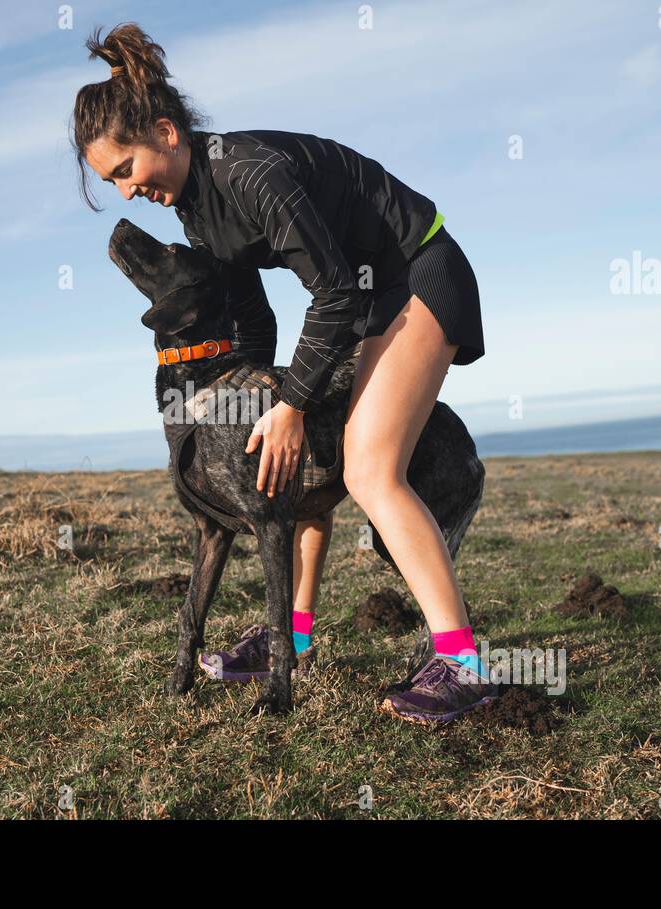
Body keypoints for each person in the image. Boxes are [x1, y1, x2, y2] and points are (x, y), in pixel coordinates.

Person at [71, 22, 495, 725]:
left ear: (167, 134)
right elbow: (258, 324)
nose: (122, 191)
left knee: (367, 468)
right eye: (109, 180)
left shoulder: (247, 173)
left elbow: (334, 290)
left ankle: (461, 662)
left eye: (123, 169)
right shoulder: (200, 215)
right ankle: (286, 637)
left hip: (418, 272)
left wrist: (292, 402)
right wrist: (265, 399)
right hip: (367, 299)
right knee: (292, 458)